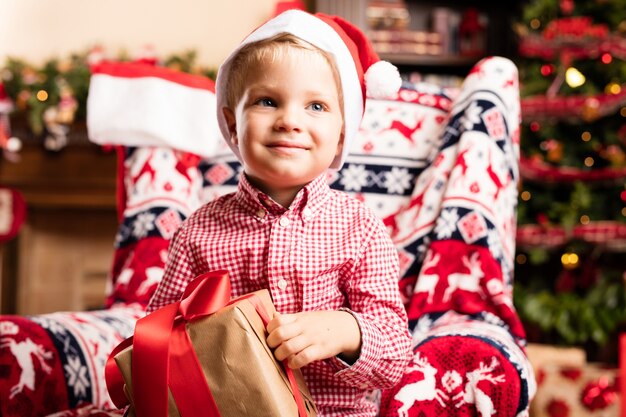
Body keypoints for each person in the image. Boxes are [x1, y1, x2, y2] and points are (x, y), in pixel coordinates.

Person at [147, 9, 412, 416]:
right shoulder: (199, 232)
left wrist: (347, 331)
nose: (290, 121)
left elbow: (394, 356)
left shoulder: (359, 229)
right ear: (231, 123)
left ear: (343, 132)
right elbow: (158, 338)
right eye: (268, 101)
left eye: (317, 106)